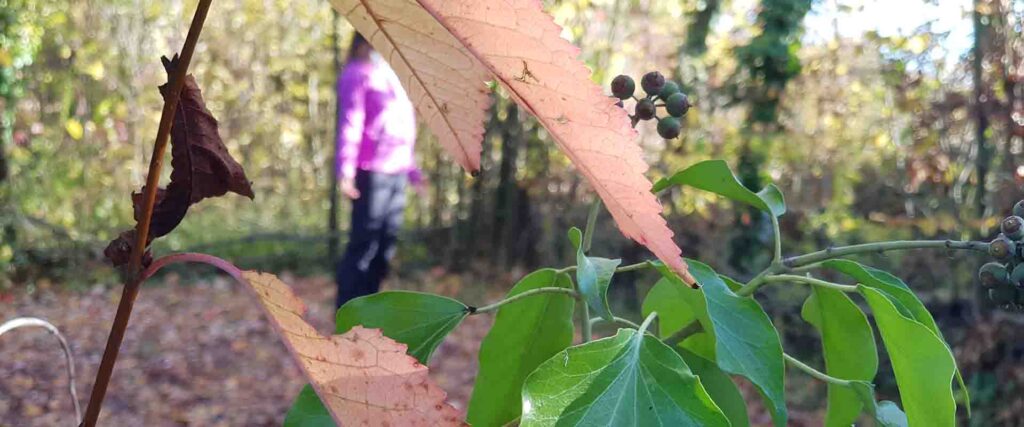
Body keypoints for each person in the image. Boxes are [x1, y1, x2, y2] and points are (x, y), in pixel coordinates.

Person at [334, 32, 421, 309]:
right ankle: (347, 310)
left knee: (385, 246)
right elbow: (351, 121)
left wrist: (413, 171)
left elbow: (401, 125)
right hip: (372, 172)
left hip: (397, 171)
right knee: (364, 244)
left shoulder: (390, 75)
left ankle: (368, 308)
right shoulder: (356, 74)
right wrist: (345, 170)